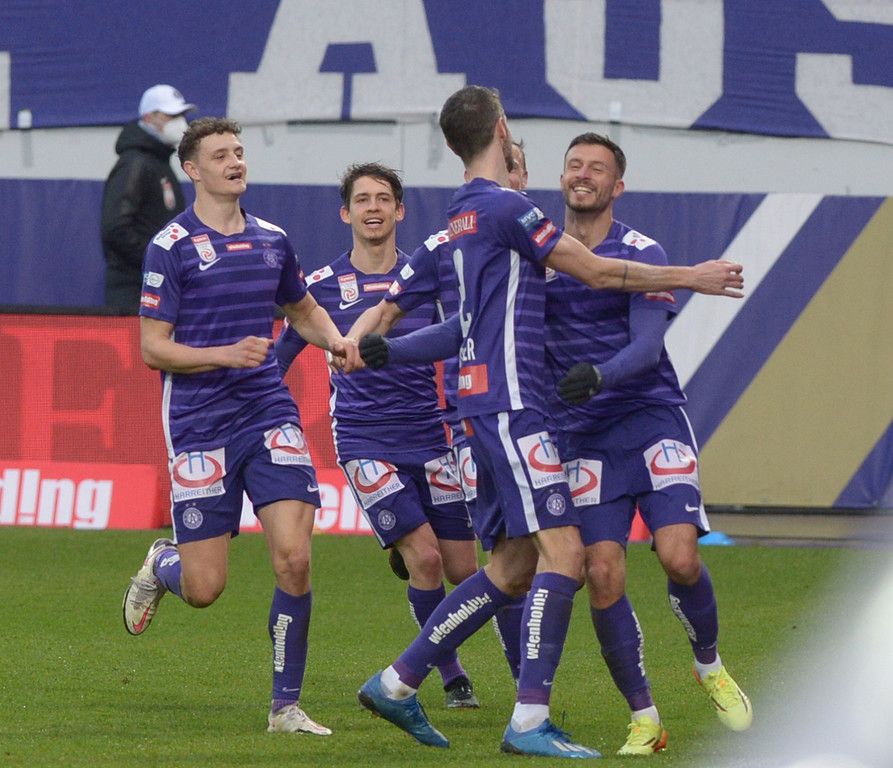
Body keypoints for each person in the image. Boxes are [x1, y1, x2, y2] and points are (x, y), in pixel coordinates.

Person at [354, 84, 743, 759]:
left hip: (495, 410)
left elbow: (466, 323)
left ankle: (397, 681)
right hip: (516, 409)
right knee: (567, 557)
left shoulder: (462, 215)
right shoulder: (508, 208)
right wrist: (693, 275)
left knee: (511, 566)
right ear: (502, 130)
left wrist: (393, 347)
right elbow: (593, 272)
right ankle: (530, 719)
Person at [121, 117, 358, 736]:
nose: (235, 162)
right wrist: (225, 354)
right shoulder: (170, 245)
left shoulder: (273, 240)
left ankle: (285, 708)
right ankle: (163, 564)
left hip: (266, 409)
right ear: (192, 170)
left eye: (239, 152)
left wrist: (336, 341)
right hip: (199, 421)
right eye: (221, 155)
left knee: (294, 559)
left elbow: (302, 309)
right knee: (204, 588)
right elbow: (152, 348)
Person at [550, 132, 752, 754]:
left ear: (618, 185)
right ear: (563, 177)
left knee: (679, 558)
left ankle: (708, 664)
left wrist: (599, 375)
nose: (583, 175)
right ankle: (645, 718)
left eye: (597, 168)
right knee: (601, 572)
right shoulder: (540, 255)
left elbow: (645, 348)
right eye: (575, 165)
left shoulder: (643, 253)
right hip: (583, 437)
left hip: (650, 420)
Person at [274, 162, 481, 709]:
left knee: (466, 571)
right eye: (362, 199)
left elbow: (460, 342)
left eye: (383, 199)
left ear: (399, 211)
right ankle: (449, 674)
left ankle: (408, 558)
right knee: (428, 560)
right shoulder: (320, 287)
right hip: (364, 439)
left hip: (430, 436)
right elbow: (278, 362)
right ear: (346, 213)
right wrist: (268, 418)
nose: (373, 208)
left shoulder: (425, 276)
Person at [346, 141, 531, 685]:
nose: (506, 178)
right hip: (471, 419)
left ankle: (521, 688)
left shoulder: (546, 241)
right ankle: (469, 679)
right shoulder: (446, 244)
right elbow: (394, 312)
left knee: (486, 564)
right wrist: (357, 345)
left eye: (514, 170)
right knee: (505, 558)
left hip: (525, 416)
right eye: (363, 199)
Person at [101, 84, 196, 313]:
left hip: (159, 285)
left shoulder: (159, 162)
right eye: (171, 116)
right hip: (134, 291)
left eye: (181, 115)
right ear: (148, 118)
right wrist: (158, 260)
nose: (180, 122)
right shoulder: (135, 164)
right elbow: (116, 227)